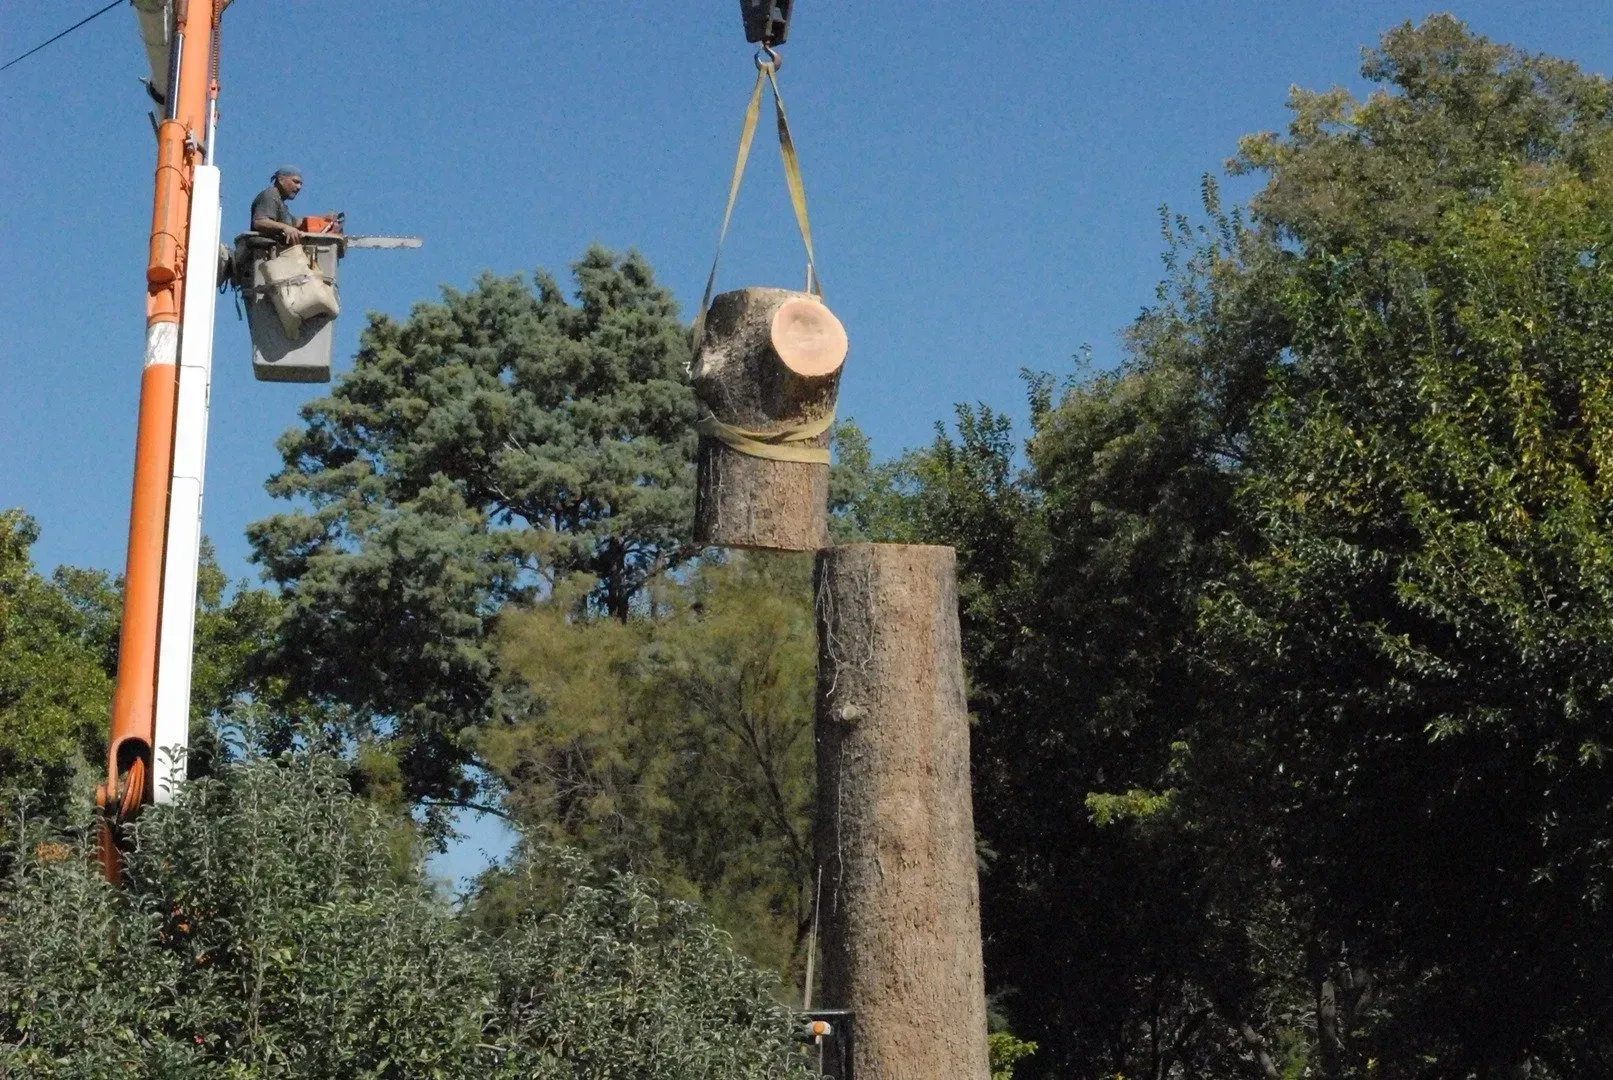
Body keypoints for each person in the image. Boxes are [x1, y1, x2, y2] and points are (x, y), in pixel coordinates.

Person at [250, 166, 304, 246]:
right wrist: (285, 228)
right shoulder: (271, 194)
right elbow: (259, 222)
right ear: (281, 180)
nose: (299, 187)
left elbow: (297, 222)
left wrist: (324, 220)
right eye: (295, 182)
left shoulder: (281, 204)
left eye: (300, 184)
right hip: (266, 253)